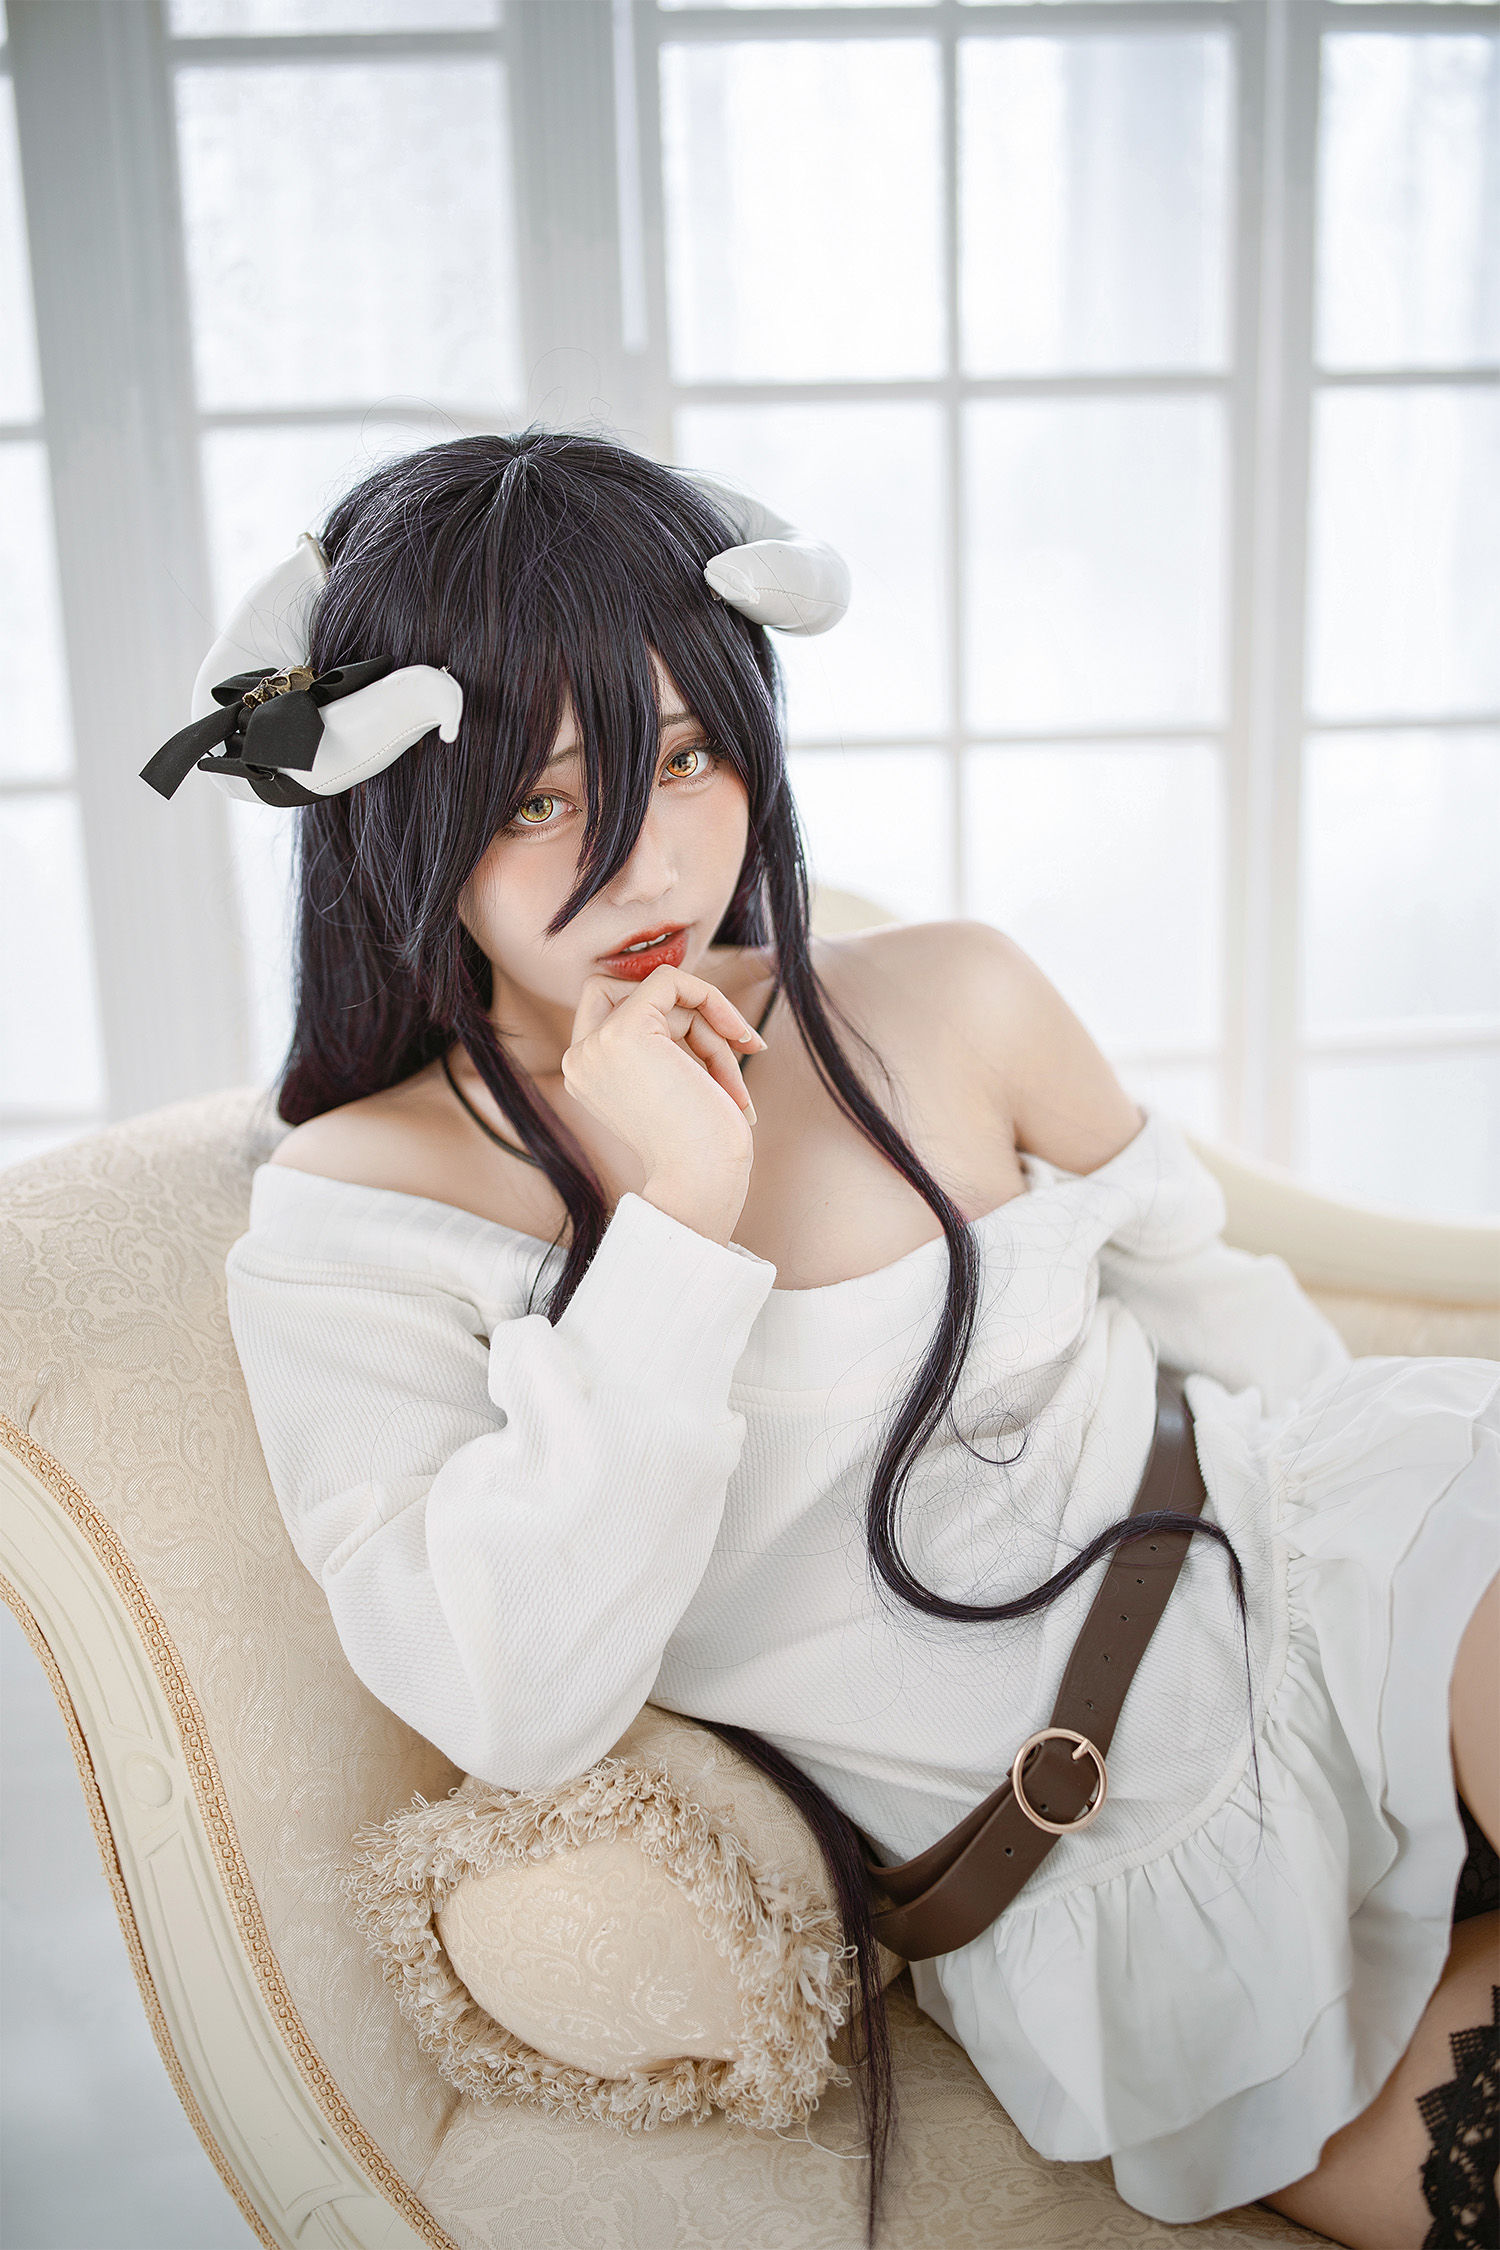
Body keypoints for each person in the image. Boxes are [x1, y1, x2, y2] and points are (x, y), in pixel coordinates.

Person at [159, 430, 1497, 2250]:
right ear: (401, 815)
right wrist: (673, 1223)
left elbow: (1228, 1316)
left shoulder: (943, 994)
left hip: (1365, 1576)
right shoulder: (356, 1214)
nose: (646, 860)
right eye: (540, 798)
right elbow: (516, 1698)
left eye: (685, 755)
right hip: (1092, 1879)